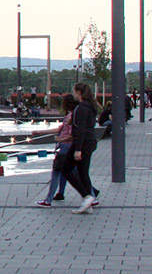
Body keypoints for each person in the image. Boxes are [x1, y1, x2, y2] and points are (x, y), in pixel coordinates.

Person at [62, 83, 101, 215]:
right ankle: (88, 201)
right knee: (83, 172)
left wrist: (78, 149)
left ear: (79, 92)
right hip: (89, 141)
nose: (73, 94)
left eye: (74, 91)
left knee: (66, 168)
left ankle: (86, 196)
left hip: (83, 143)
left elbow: (81, 129)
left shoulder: (81, 108)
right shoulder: (89, 106)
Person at [33, 94, 77, 207]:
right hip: (67, 147)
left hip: (65, 148)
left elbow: (71, 134)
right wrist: (39, 132)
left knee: (57, 172)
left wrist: (60, 139)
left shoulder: (71, 116)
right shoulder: (71, 115)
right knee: (72, 173)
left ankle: (48, 200)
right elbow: (61, 129)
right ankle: (90, 195)